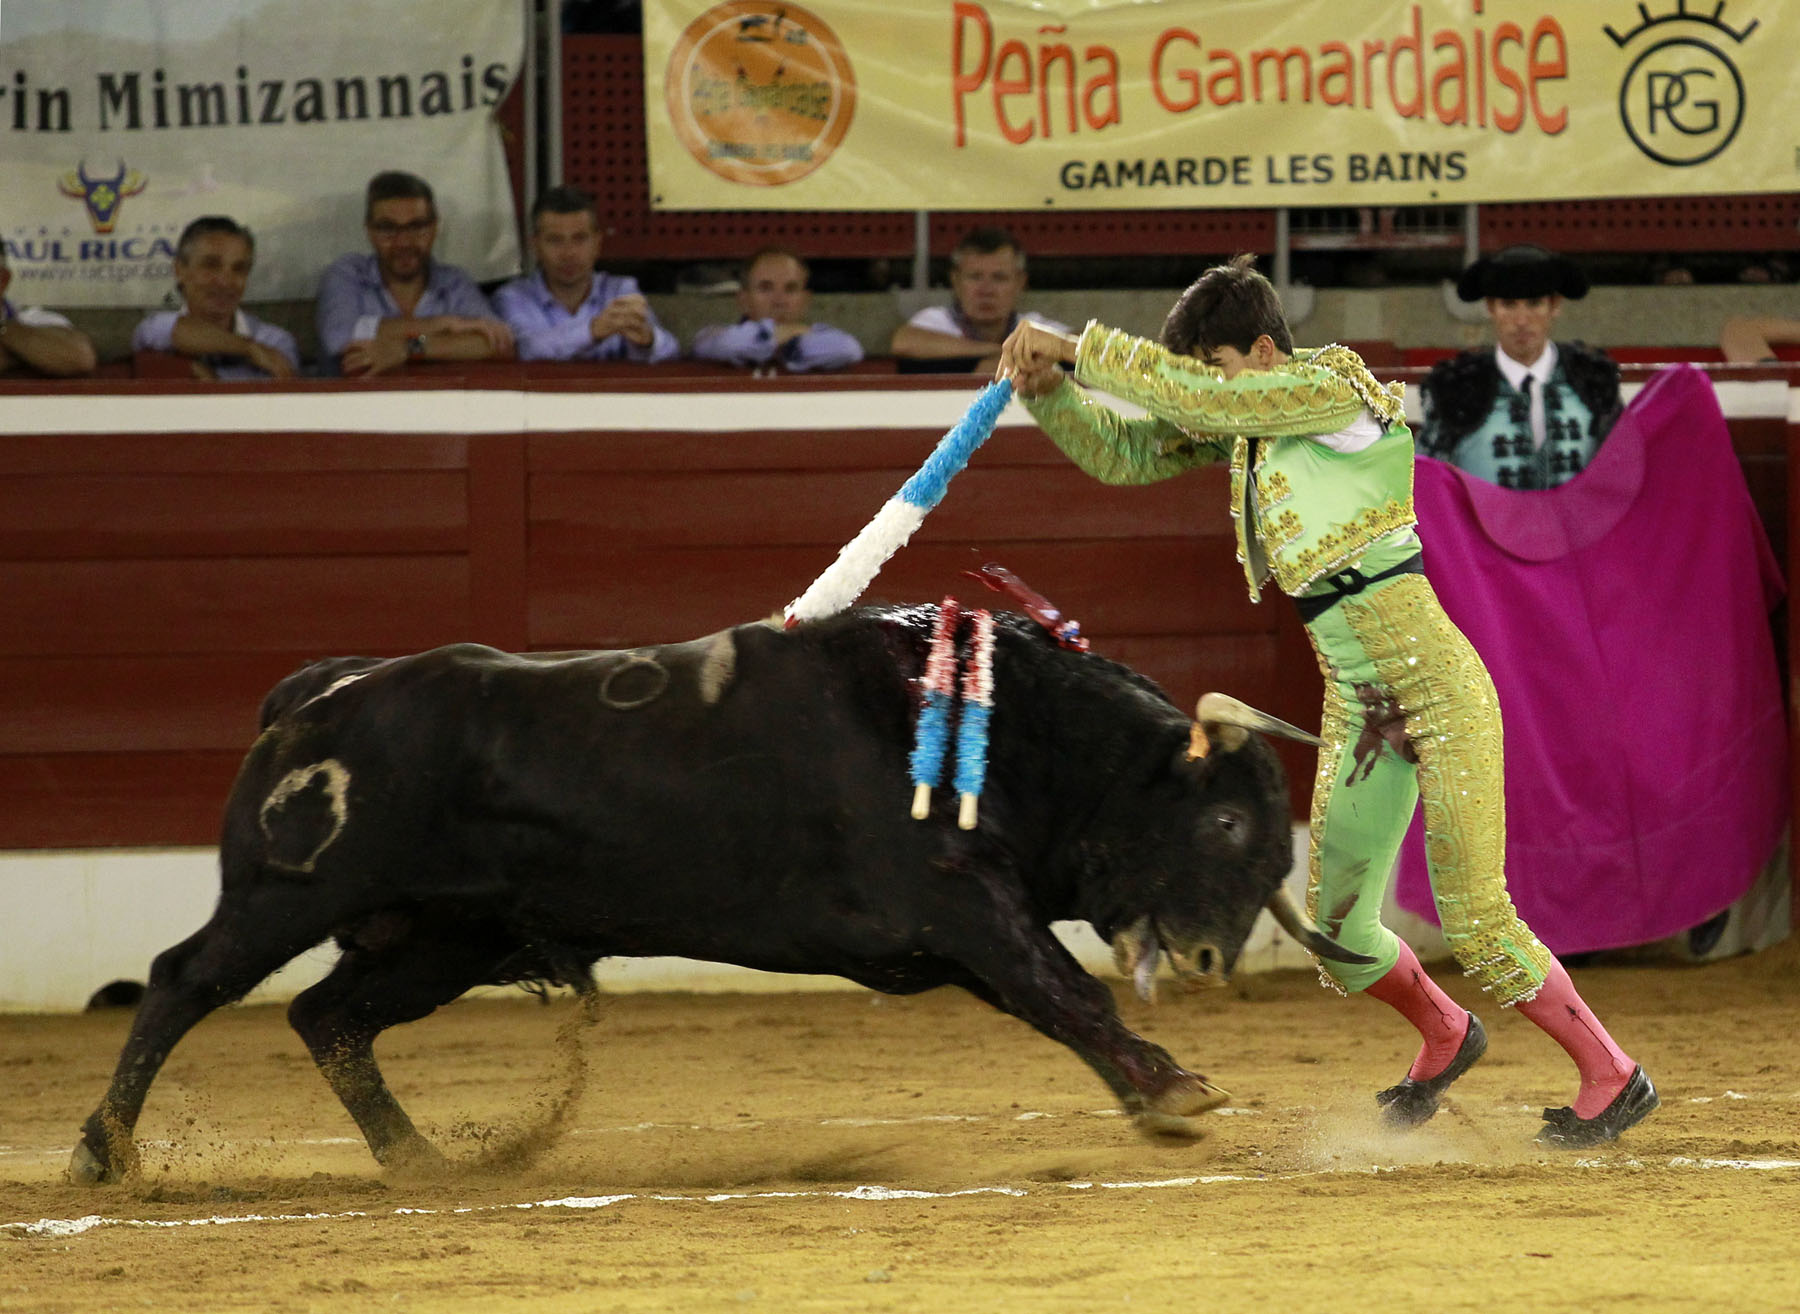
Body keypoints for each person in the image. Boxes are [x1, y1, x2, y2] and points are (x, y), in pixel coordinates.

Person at [996, 254, 1658, 1149]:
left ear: (1265, 350)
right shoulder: (1250, 421)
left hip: (1434, 688)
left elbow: (1209, 404)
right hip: (1363, 703)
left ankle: (1612, 1075)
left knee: (1477, 916)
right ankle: (1445, 1033)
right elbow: (1125, 453)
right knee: (1340, 933)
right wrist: (1049, 392)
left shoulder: (1329, 387)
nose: (1208, 388)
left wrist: (1074, 346)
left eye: (1217, 365)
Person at [1414, 244, 1621, 489]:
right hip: (1483, 528)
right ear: (1491, 308)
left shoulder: (1593, 381)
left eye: (1534, 303)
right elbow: (1426, 485)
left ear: (1554, 306)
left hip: (1581, 527)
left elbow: (1624, 475)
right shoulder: (1456, 387)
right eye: (1509, 305)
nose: (1521, 321)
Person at [316, 170, 514, 376]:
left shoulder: (454, 281)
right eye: (388, 228)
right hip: (353, 405)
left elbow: (496, 343)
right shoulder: (347, 273)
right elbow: (339, 337)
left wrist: (408, 349)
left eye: (417, 227)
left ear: (435, 227)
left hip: (438, 404)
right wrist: (444, 325)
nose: (404, 242)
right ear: (369, 231)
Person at [491, 186, 678, 364]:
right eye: (555, 240)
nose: (568, 253)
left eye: (579, 239)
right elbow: (526, 350)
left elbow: (671, 351)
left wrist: (648, 340)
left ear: (597, 243)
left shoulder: (620, 289)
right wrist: (592, 331)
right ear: (535, 246)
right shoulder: (512, 297)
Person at [131, 217, 298, 380]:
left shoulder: (274, 341)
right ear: (179, 270)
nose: (225, 282)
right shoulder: (151, 332)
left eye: (239, 269)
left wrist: (201, 376)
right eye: (211, 265)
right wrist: (249, 349)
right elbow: (174, 331)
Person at [890, 226, 1066, 373]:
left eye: (999, 278)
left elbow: (1081, 344)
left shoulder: (1031, 324)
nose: (986, 290)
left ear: (1020, 283)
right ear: (955, 281)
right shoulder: (936, 320)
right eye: (974, 277)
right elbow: (904, 342)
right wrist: (1003, 352)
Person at [691, 247, 863, 372]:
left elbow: (848, 349)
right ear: (743, 300)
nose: (779, 301)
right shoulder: (714, 334)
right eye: (765, 288)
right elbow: (729, 345)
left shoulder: (823, 334)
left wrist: (790, 343)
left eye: (790, 289)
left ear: (805, 300)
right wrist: (778, 336)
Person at [0, 246, 98, 377]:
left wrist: (4, 331)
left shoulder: (34, 321)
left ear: (3, 279)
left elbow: (81, 357)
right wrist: (25, 353)